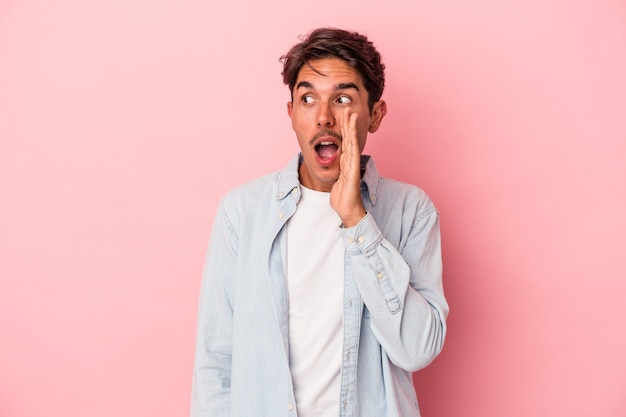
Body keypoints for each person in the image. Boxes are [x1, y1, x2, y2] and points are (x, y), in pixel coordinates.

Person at [191, 27, 448, 417]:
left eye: (343, 98)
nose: (324, 117)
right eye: (308, 98)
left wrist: (356, 220)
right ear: (291, 112)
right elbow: (216, 361)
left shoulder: (411, 211)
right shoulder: (241, 213)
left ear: (374, 115)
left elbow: (417, 349)